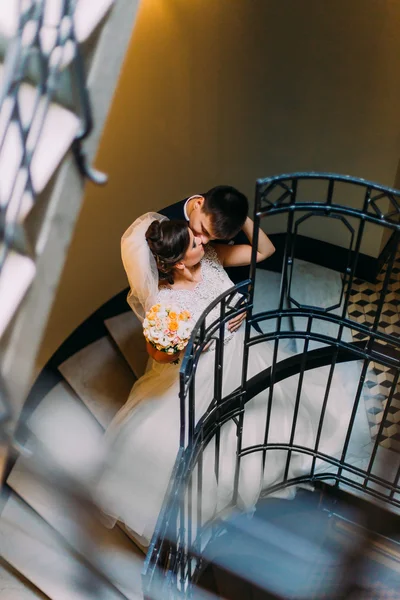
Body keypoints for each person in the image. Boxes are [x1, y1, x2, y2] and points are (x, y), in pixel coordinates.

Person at [96, 213, 352, 551]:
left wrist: (241, 216)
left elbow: (265, 249)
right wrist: (198, 342)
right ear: (177, 264)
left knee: (277, 411)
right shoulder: (165, 304)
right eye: (193, 242)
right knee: (205, 447)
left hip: (246, 350)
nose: (203, 239)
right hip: (206, 372)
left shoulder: (213, 259)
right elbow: (160, 354)